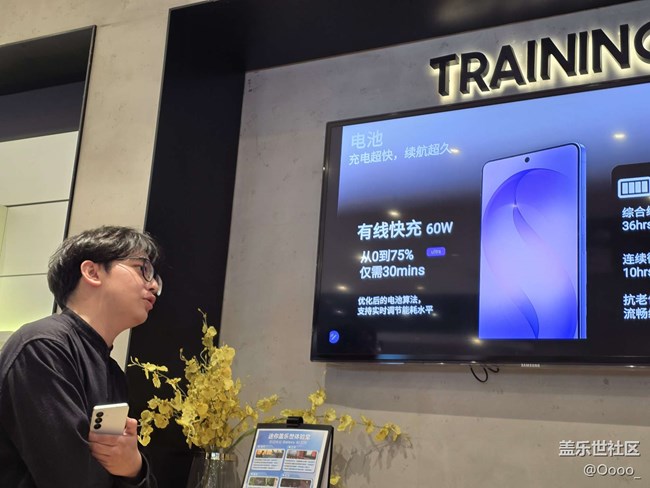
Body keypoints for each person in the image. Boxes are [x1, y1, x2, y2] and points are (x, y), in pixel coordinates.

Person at [0, 225, 162, 487]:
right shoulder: (43, 346)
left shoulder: (111, 371)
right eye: (142, 268)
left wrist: (134, 467)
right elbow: (70, 478)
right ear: (92, 272)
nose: (153, 285)